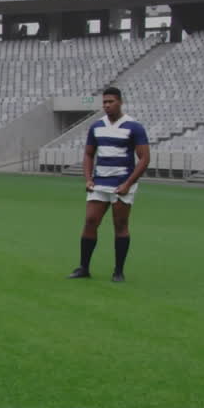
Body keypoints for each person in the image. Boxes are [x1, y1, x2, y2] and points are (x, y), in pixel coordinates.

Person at [68, 86, 149, 283]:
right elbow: (88, 154)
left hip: (122, 184)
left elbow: (144, 158)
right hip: (100, 183)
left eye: (110, 101)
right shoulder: (96, 126)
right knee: (90, 221)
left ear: (120, 102)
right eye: (104, 102)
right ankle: (83, 268)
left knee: (120, 225)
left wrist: (128, 184)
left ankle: (118, 272)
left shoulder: (134, 126)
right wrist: (88, 178)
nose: (107, 105)